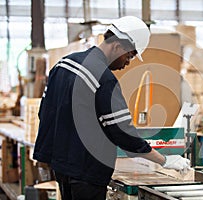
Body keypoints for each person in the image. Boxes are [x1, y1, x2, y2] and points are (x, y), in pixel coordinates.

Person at [33, 16, 190, 200]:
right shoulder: (104, 79)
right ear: (117, 46)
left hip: (62, 168)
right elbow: (124, 133)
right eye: (130, 55)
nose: (128, 63)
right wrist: (164, 161)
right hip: (87, 173)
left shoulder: (63, 64)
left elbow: (45, 112)